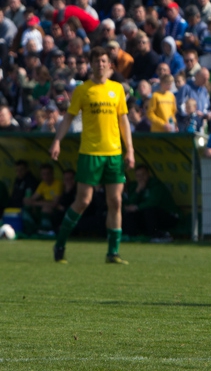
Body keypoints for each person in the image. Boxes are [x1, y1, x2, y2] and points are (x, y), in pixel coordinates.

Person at [49, 46, 135, 264]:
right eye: (96, 61)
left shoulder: (117, 89)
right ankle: (60, 243)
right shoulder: (83, 90)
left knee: (115, 201)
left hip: (114, 153)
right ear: (91, 64)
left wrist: (130, 150)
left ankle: (112, 252)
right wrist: (57, 141)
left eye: (104, 60)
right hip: (90, 153)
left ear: (110, 64)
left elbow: (124, 121)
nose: (100, 64)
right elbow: (68, 118)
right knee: (83, 201)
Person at [123, 164, 179, 242]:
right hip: (150, 217)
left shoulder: (156, 185)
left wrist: (136, 208)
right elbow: (130, 203)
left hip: (170, 216)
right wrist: (138, 191)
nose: (141, 178)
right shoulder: (136, 186)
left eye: (143, 175)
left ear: (148, 174)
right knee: (130, 213)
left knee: (149, 210)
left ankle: (156, 236)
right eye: (138, 176)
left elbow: (152, 203)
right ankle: (132, 236)